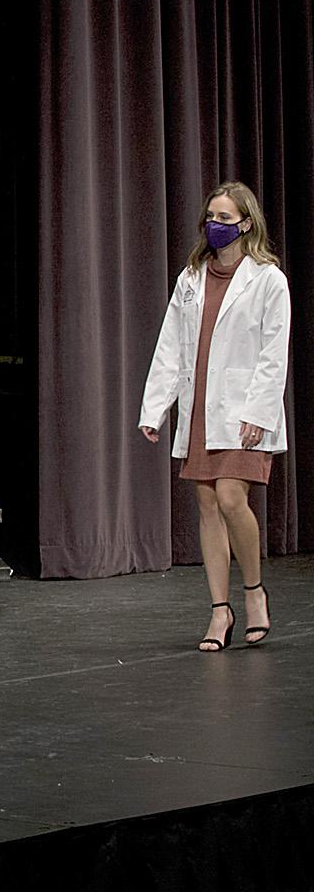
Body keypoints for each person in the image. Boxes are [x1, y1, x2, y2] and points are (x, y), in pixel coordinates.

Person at [140, 181, 289, 652]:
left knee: (230, 498)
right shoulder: (191, 277)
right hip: (202, 404)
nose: (215, 226)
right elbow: (170, 348)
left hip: (245, 408)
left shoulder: (268, 279)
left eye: (225, 219)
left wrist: (261, 411)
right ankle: (220, 611)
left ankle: (254, 593)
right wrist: (155, 409)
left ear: (246, 223)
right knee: (207, 506)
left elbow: (273, 353)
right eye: (211, 217)